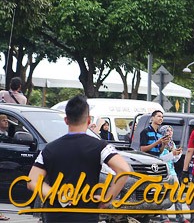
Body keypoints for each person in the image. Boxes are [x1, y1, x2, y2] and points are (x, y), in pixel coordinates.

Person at [27, 95, 131, 223]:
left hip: (55, 214)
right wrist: (108, 197)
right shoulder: (101, 147)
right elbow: (124, 170)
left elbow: (32, 181)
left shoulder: (50, 149)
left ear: (66, 120)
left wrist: (59, 194)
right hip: (86, 213)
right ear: (88, 120)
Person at [158, 125, 188, 222]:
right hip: (163, 172)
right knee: (164, 195)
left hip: (172, 171)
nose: (170, 132)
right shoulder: (160, 142)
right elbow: (160, 159)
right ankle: (164, 218)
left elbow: (174, 160)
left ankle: (180, 217)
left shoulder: (172, 143)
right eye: (168, 130)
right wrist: (172, 154)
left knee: (177, 194)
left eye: (171, 130)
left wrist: (177, 154)